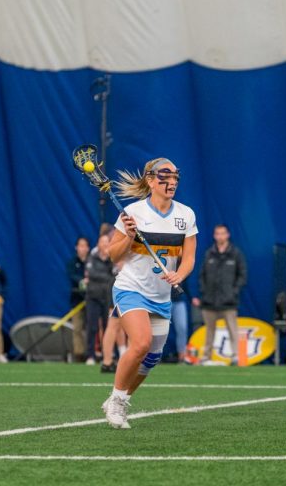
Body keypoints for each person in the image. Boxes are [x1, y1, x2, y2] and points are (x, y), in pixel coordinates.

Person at [101, 157, 197, 429]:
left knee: (151, 359)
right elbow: (112, 255)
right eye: (165, 177)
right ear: (150, 180)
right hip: (130, 287)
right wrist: (130, 236)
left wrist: (180, 274)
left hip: (161, 295)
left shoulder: (186, 215)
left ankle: (120, 397)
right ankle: (118, 403)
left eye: (175, 177)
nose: (172, 182)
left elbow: (188, 257)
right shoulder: (132, 213)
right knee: (141, 343)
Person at [194, 224, 247, 366]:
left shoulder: (235, 253)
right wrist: (203, 292)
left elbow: (242, 276)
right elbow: (201, 275)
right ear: (214, 236)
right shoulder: (209, 253)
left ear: (228, 235)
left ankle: (236, 356)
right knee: (209, 331)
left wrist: (233, 291)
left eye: (222, 233)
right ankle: (206, 357)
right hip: (209, 300)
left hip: (229, 301)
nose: (220, 236)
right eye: (217, 233)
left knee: (232, 330)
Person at [84, 233, 116, 365]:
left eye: (107, 242)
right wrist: (106, 277)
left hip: (107, 298)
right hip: (93, 297)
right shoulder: (92, 257)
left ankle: (106, 355)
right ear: (98, 244)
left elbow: (115, 275)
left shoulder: (112, 259)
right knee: (92, 327)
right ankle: (90, 355)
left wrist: (106, 277)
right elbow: (92, 273)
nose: (104, 244)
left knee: (107, 326)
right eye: (102, 242)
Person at [66, 236, 89, 362]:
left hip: (93, 300)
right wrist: (82, 282)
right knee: (77, 328)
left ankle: (92, 353)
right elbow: (71, 276)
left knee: (92, 328)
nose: (82, 248)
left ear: (88, 248)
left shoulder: (92, 261)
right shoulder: (72, 262)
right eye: (80, 246)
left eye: (85, 245)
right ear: (76, 248)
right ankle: (79, 355)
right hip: (77, 300)